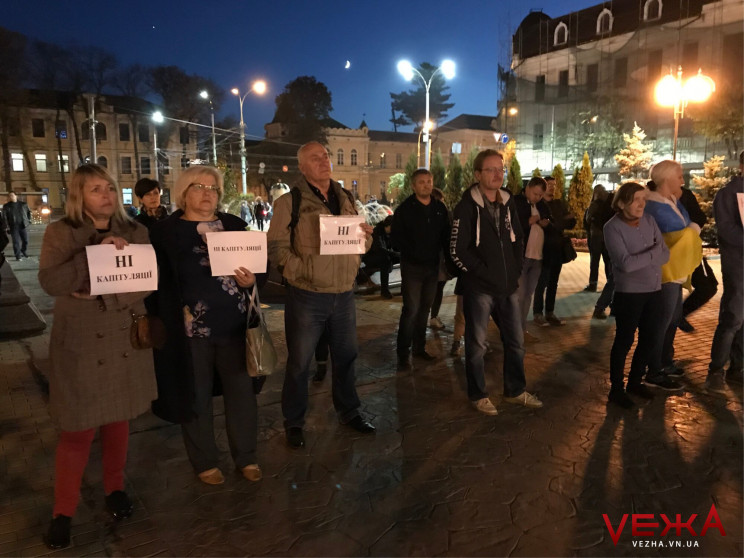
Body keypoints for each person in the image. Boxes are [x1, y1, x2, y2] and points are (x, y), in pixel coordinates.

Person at [37, 164, 157, 549]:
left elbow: (145, 285)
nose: (106, 194)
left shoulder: (136, 231)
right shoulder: (61, 232)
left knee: (118, 420)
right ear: (79, 196)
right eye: (95, 189)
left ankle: (115, 488)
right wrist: (92, 258)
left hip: (123, 338)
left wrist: (100, 290)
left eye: (109, 187)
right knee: (77, 429)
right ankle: (63, 511)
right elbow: (51, 282)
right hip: (81, 343)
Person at [149, 166, 262, 486]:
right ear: (184, 193)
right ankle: (205, 461)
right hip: (189, 334)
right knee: (195, 397)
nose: (208, 192)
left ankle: (247, 456)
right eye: (199, 186)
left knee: (242, 395)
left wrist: (252, 280)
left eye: (213, 187)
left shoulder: (234, 226)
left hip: (235, 327)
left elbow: (257, 269)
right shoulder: (164, 233)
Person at [267, 141, 375, 449]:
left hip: (344, 294)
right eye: (315, 158)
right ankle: (294, 421)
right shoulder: (291, 202)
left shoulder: (346, 197)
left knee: (346, 357)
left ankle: (349, 411)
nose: (324, 161)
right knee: (300, 363)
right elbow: (276, 248)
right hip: (307, 295)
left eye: (325, 156)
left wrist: (365, 240)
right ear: (302, 167)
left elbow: (360, 245)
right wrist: (300, 271)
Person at [450, 149, 543, 415]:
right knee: (477, 346)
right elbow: (457, 250)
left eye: (500, 169)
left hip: (507, 287)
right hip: (479, 289)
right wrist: (482, 273)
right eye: (490, 169)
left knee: (516, 342)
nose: (497, 174)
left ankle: (515, 390)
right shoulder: (466, 207)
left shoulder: (507, 201)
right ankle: (478, 394)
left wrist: (515, 271)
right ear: (477, 174)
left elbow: (518, 238)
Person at [603, 182, 669, 408]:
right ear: (621, 203)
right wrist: (653, 253)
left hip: (654, 290)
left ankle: (635, 381)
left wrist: (650, 255)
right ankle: (616, 389)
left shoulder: (650, 221)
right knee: (624, 341)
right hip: (629, 294)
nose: (642, 204)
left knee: (650, 338)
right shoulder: (611, 228)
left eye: (644, 199)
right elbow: (625, 264)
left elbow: (666, 254)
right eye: (636, 199)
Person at [644, 160, 701, 390]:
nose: (682, 181)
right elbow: (681, 230)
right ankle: (653, 370)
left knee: (672, 319)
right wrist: (690, 233)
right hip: (664, 272)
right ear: (667, 178)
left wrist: (689, 232)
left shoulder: (671, 201)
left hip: (675, 271)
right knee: (662, 321)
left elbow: (687, 227)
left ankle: (665, 362)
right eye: (679, 176)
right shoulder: (654, 205)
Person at [391, 169, 450, 366]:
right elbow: (396, 238)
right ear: (414, 186)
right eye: (422, 182)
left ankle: (419, 348)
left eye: (429, 181)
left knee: (425, 308)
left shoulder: (439, 209)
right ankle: (402, 352)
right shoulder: (405, 209)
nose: (426, 185)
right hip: (413, 267)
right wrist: (412, 250)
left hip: (432, 267)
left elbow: (447, 236)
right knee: (411, 309)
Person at [706, 151, 744, 392]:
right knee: (733, 317)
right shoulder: (729, 193)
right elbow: (727, 230)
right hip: (738, 264)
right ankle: (716, 370)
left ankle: (737, 368)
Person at [533, 176, 576, 327]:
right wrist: (558, 223)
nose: (552, 187)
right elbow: (545, 225)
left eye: (554, 185)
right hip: (544, 249)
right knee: (542, 282)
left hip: (558, 249)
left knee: (554, 283)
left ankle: (550, 312)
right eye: (549, 185)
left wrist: (556, 223)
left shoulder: (559, 203)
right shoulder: (539, 205)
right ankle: (537, 313)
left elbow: (571, 222)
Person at [677, 186, 717, 332]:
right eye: (678, 176)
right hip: (672, 255)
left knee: (708, 286)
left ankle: (678, 315)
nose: (682, 180)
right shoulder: (654, 198)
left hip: (691, 248)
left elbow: (700, 217)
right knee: (671, 294)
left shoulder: (685, 194)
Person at [514, 176, 550, 340]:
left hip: (538, 256)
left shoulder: (541, 205)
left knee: (528, 295)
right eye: (535, 194)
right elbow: (512, 227)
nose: (537, 198)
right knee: (519, 296)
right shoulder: (517, 202)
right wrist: (529, 221)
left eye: (540, 195)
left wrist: (545, 221)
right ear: (528, 188)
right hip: (522, 257)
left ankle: (522, 329)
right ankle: (514, 330)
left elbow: (550, 218)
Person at [428, 187, 452, 330]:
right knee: (437, 287)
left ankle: (432, 316)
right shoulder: (440, 211)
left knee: (436, 287)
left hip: (433, 258)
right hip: (438, 257)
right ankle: (433, 316)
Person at [362, 215, 398, 299]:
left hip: (383, 255)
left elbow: (394, 246)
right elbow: (379, 249)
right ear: (389, 225)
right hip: (370, 257)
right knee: (385, 260)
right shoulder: (377, 232)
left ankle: (405, 289)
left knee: (404, 259)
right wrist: (395, 253)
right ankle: (384, 291)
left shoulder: (390, 233)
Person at [583, 185, 612, 292]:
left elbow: (587, 219)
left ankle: (593, 284)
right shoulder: (610, 204)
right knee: (608, 260)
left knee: (594, 260)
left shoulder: (595, 204)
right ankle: (610, 283)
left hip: (596, 235)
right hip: (608, 235)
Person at [2, 192, 32, 260]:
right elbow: (4, 217)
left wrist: (29, 220)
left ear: (16, 196)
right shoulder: (6, 206)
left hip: (23, 225)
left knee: (26, 240)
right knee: (16, 242)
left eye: (12, 195)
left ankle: (23, 251)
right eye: (9, 196)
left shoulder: (23, 204)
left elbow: (29, 212)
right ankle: (18, 256)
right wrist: (6, 226)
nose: (11, 197)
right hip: (13, 226)